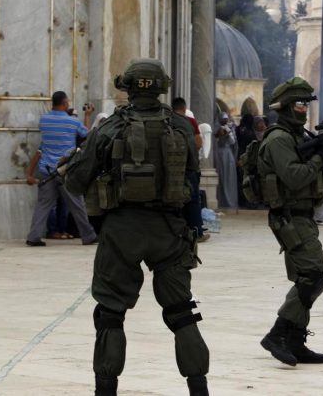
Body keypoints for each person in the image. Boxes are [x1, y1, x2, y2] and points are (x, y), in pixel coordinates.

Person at [63, 59, 210, 396]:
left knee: (111, 314)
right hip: (170, 230)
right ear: (162, 87)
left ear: (127, 86)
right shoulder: (182, 126)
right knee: (182, 313)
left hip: (121, 230)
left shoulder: (109, 127)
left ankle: (106, 391)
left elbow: (75, 182)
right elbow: (189, 170)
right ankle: (198, 390)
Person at [258, 77, 323, 367]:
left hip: (303, 215)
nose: (305, 109)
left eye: (307, 104)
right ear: (288, 106)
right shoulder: (279, 139)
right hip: (288, 216)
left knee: (308, 278)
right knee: (315, 275)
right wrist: (319, 156)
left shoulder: (300, 136)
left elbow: (322, 179)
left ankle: (295, 339)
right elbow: (295, 176)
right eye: (301, 104)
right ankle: (277, 333)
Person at [25, 91, 97, 246]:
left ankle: (33, 236)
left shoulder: (43, 120)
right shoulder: (73, 122)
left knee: (43, 205)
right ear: (65, 103)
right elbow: (87, 135)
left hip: (46, 170)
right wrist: (88, 116)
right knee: (77, 204)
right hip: (65, 170)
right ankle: (89, 236)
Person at [172, 98, 209, 242]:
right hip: (188, 168)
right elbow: (198, 144)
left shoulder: (166, 120)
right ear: (184, 108)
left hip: (169, 168)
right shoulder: (189, 122)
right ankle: (196, 232)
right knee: (193, 199)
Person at [214, 112, 238, 208]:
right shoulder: (216, 129)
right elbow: (217, 141)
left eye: (226, 119)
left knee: (229, 177)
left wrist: (229, 131)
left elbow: (233, 142)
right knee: (221, 176)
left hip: (228, 154)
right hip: (220, 153)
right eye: (223, 119)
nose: (225, 121)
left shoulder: (231, 129)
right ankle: (222, 201)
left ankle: (231, 202)